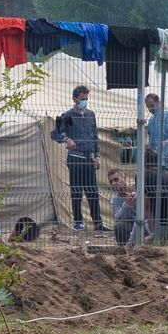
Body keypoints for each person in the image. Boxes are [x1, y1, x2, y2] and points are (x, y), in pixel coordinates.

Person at [51, 85, 107, 231]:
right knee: (76, 191)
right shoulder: (67, 116)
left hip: (89, 159)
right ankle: (78, 222)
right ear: (75, 98)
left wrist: (97, 156)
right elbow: (55, 134)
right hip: (75, 158)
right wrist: (66, 139)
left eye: (86, 99)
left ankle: (98, 223)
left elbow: (95, 137)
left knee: (92, 192)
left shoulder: (90, 115)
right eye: (82, 99)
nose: (84, 102)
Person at [145, 93, 168, 172]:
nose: (150, 109)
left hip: (167, 162)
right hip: (153, 164)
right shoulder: (151, 121)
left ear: (159, 102)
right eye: (148, 107)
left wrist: (165, 143)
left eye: (152, 105)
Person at [106, 169, 141, 245]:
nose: (114, 183)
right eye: (111, 182)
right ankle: (125, 251)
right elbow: (117, 218)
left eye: (116, 179)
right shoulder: (115, 200)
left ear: (124, 178)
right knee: (119, 226)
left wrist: (137, 195)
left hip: (145, 222)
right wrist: (127, 204)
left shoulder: (138, 187)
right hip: (130, 224)